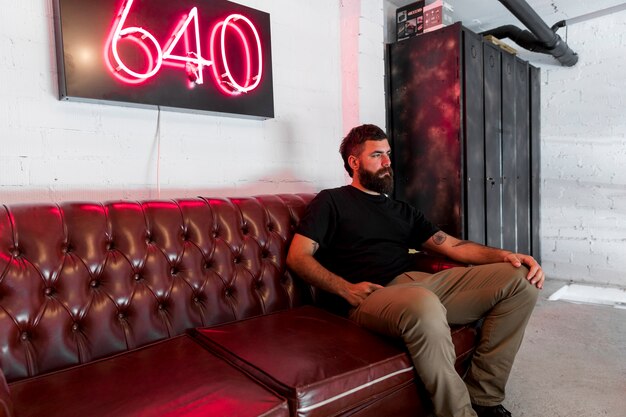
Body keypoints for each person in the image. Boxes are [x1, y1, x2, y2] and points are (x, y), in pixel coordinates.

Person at [286, 124, 544, 417]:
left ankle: (484, 397)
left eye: (388, 155)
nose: (387, 163)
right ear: (354, 163)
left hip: (417, 285)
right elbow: (298, 257)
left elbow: (454, 247)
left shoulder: (401, 211)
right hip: (370, 295)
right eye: (377, 155)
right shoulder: (331, 201)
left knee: (520, 279)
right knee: (423, 303)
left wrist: (510, 256)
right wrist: (345, 288)